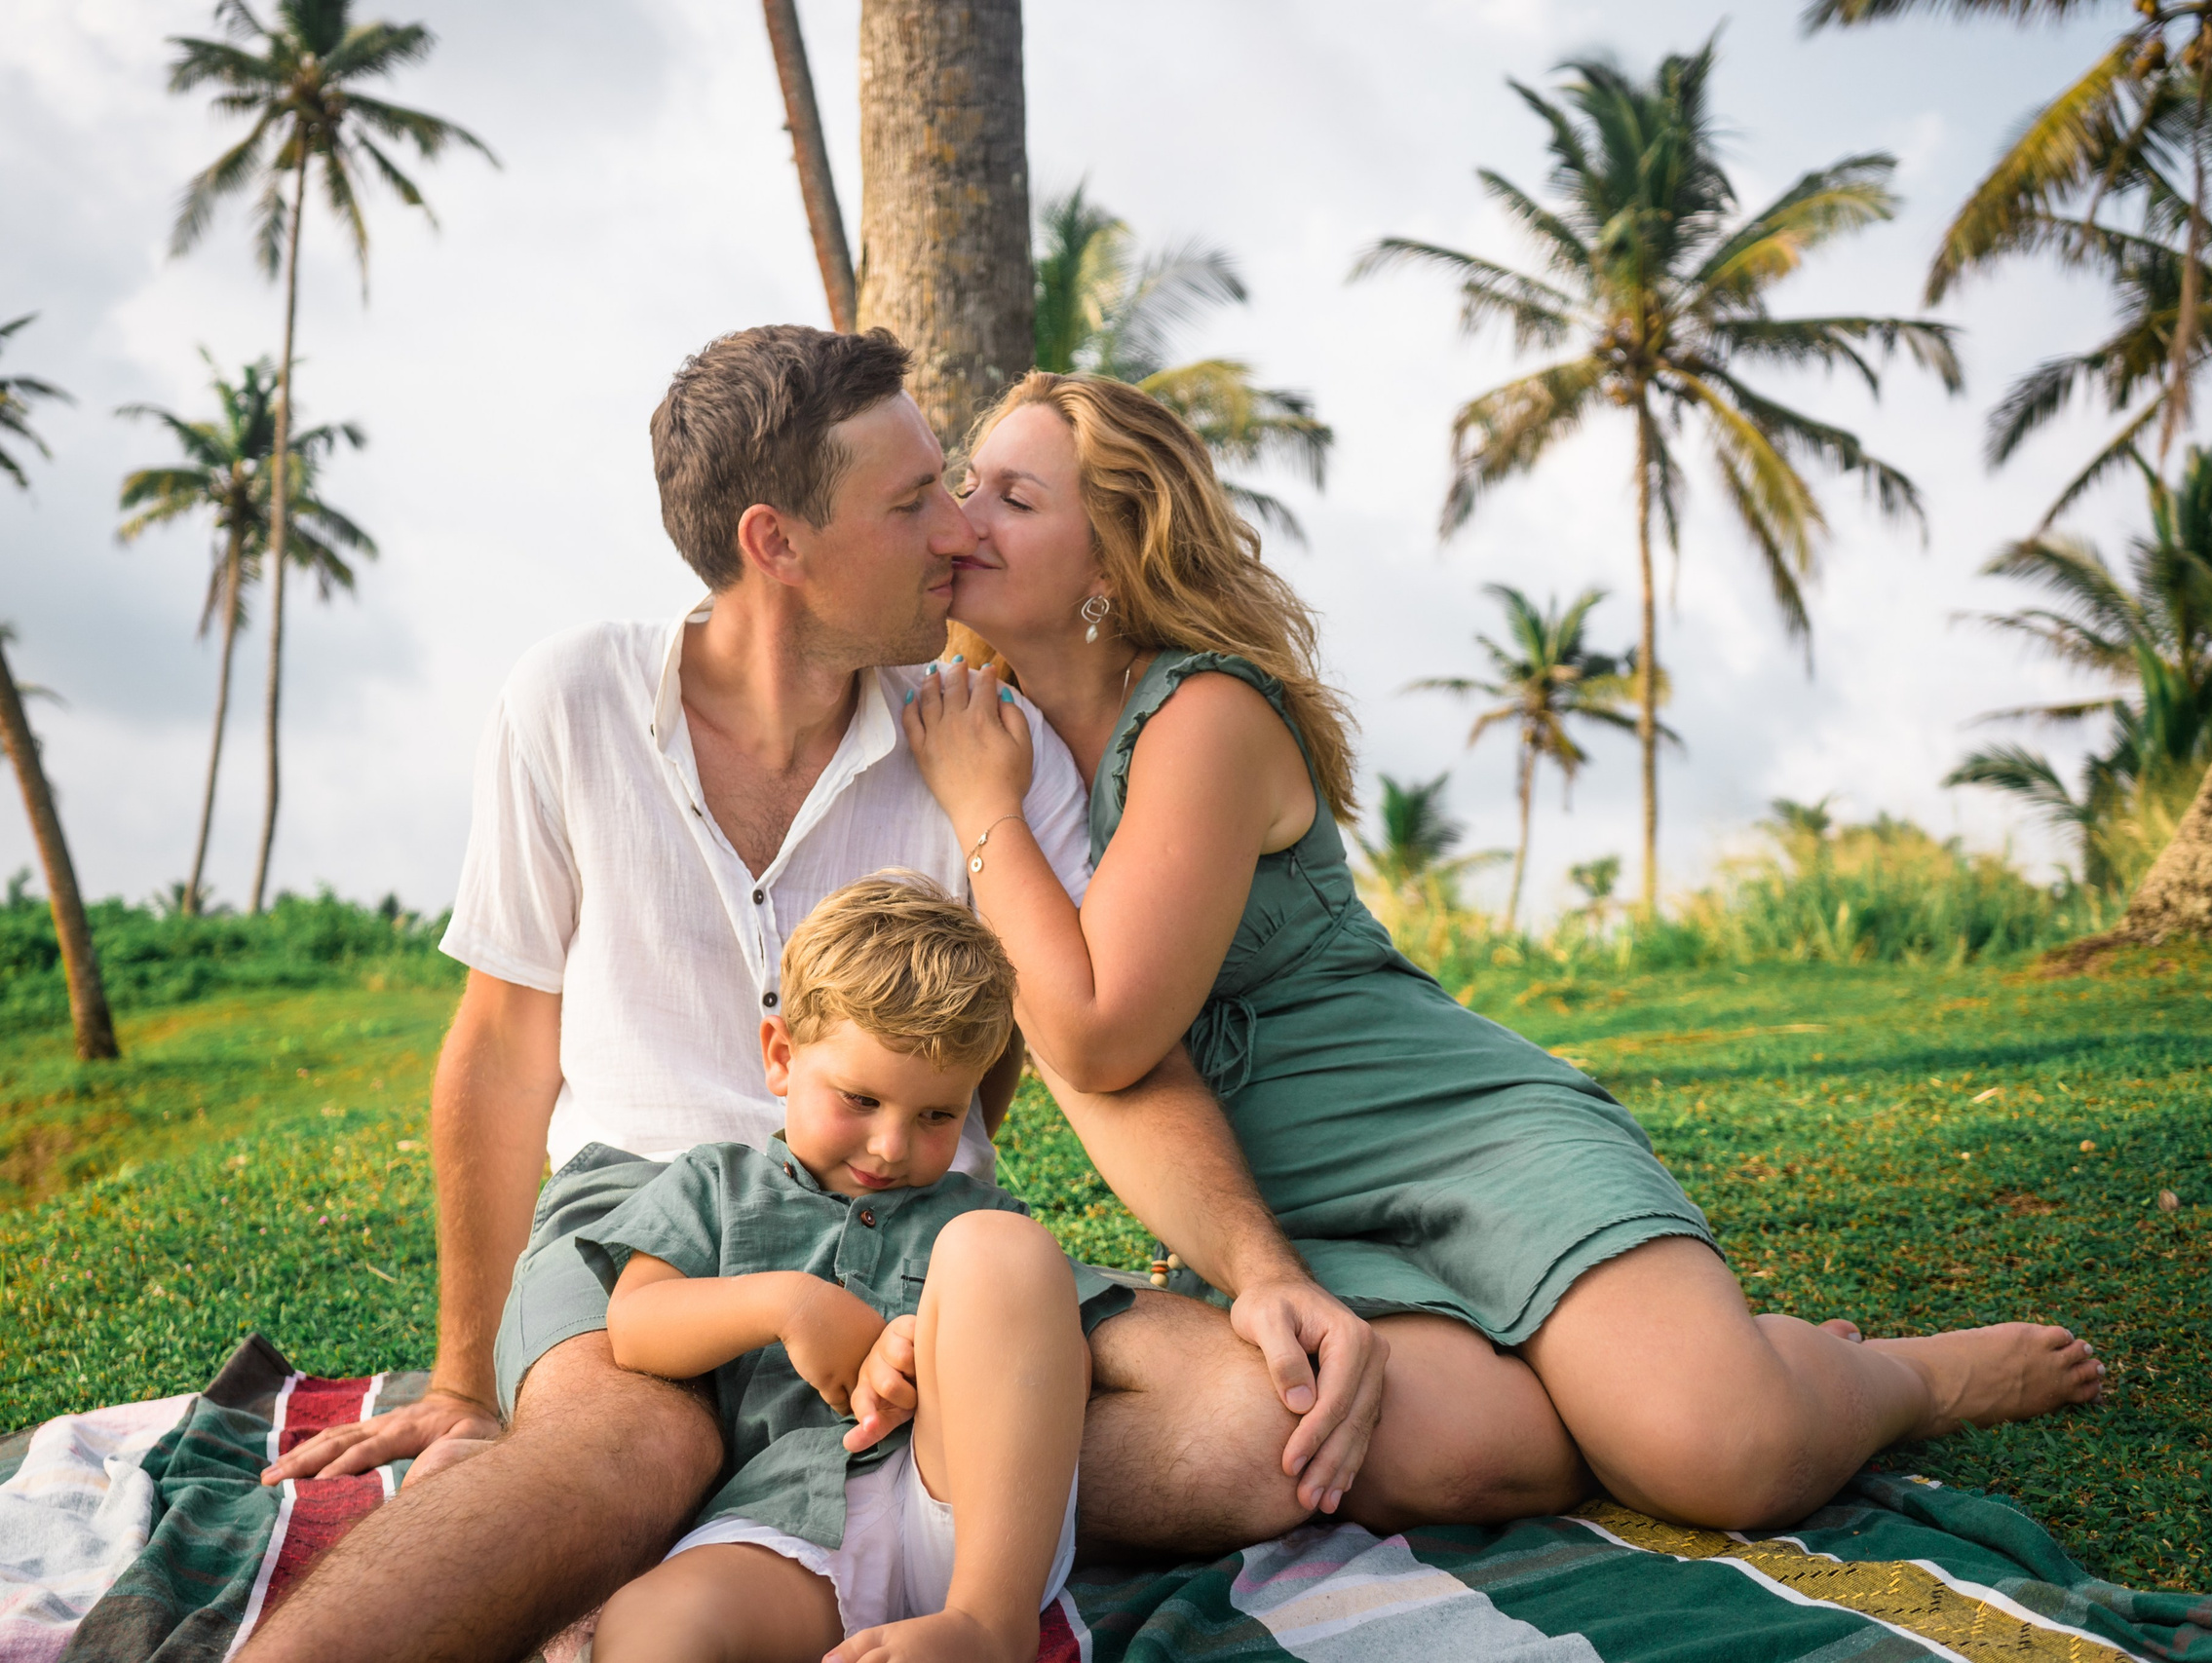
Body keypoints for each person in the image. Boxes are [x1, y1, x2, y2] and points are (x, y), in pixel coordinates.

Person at [240, 328, 1583, 1663]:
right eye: (911, 502)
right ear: (777, 542)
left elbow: (1096, 1057)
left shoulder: (975, 743)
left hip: (927, 1236)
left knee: (1253, 1431)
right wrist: (469, 1380)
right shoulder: (569, 698)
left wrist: (1261, 1269)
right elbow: (499, 1049)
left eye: (958, 485)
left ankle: (844, 1519)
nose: (954, 528)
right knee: (629, 1446)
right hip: (650, 1226)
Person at [901, 369, 2109, 1534]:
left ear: (1114, 559)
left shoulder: (1197, 715)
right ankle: (1678, 1365)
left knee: (1713, 1454)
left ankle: (1891, 1379)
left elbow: (1103, 1031)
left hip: (1455, 1128)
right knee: (1442, 1454)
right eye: (969, 483)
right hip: (1285, 1210)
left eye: (1017, 498)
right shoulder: (987, 730)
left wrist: (985, 815)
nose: (965, 517)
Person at [591, 874, 1111, 1663]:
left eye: (938, 1115)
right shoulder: (718, 1184)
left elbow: (1058, 1365)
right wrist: (790, 1304)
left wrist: (932, 1358)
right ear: (781, 1056)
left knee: (995, 1247)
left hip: (962, 1518)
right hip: (780, 1524)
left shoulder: (972, 1216)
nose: (892, 1146)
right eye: (861, 1099)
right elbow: (635, 1325)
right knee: (651, 1623)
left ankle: (987, 1629)